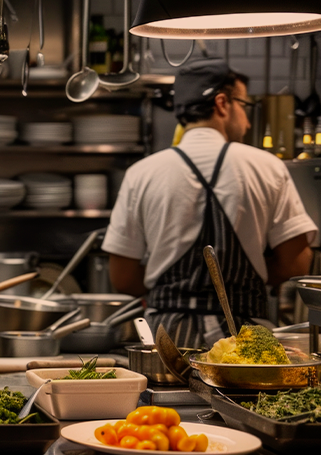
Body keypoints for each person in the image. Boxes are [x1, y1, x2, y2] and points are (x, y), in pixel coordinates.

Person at [103, 59, 317, 348]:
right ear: (222, 103)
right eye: (245, 105)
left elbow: (123, 277)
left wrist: (173, 290)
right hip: (247, 341)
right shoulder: (267, 167)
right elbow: (297, 261)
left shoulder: (141, 173)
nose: (248, 120)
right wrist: (251, 280)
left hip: (167, 343)